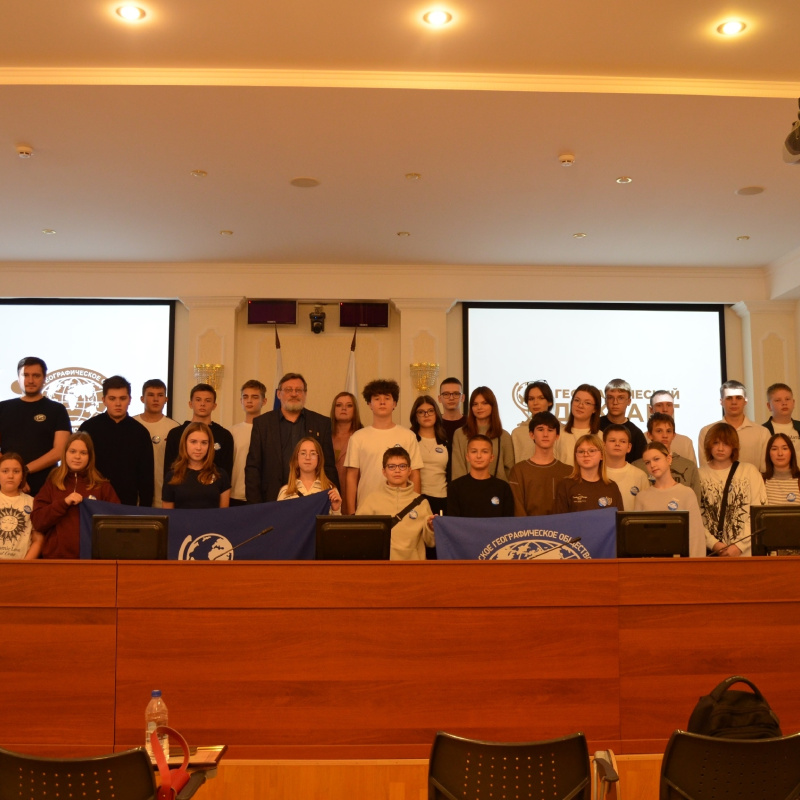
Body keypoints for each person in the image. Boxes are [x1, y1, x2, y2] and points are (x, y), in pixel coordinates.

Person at [246, 373, 337, 504]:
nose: (294, 394)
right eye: (288, 390)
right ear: (278, 394)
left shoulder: (321, 424)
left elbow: (328, 466)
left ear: (305, 394)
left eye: (298, 390)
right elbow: (253, 468)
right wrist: (255, 506)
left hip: (312, 499)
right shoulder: (262, 424)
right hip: (271, 500)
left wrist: (332, 498)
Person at [31, 432, 120, 559]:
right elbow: (38, 522)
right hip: (56, 559)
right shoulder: (52, 483)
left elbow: (116, 524)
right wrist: (63, 503)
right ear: (65, 454)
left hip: (93, 560)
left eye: (83, 453)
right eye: (72, 451)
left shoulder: (102, 487)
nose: (77, 457)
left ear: (90, 456)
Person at [344, 379, 422, 514]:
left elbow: (414, 474)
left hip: (401, 508)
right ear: (369, 404)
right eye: (376, 398)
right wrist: (351, 513)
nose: (382, 402)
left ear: (394, 403)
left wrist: (414, 508)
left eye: (387, 398)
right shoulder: (358, 437)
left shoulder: (408, 436)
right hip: (367, 508)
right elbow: (351, 477)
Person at [0, 356, 72, 496]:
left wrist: (23, 471)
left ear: (44, 378)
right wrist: (13, 473)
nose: (30, 380)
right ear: (18, 378)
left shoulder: (57, 410)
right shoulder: (2, 408)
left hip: (45, 486)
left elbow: (59, 451)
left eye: (36, 376)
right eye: (25, 375)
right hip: (6, 486)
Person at [79, 375, 154, 506]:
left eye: (122, 398)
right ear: (104, 400)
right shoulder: (88, 428)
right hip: (92, 500)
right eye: (112, 398)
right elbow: (78, 467)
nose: (118, 403)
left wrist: (145, 509)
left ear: (130, 400)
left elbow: (146, 477)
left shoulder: (140, 432)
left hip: (128, 503)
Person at [699, 422, 766, 557]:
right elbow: (696, 516)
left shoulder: (749, 471)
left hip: (746, 554)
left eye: (726, 443)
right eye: (716, 443)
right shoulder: (699, 474)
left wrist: (739, 546)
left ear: (733, 446)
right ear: (709, 445)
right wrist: (713, 544)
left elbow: (758, 512)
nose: (720, 448)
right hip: (711, 553)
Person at [355, 446, 434, 560]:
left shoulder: (422, 503)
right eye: (391, 466)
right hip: (382, 565)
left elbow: (431, 542)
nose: (397, 470)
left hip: (414, 565)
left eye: (402, 466)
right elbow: (359, 536)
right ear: (384, 471)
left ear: (409, 471)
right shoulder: (371, 500)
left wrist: (431, 528)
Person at [634, 442, 706, 557]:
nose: (652, 465)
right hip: (651, 563)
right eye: (647, 462)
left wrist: (694, 565)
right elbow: (637, 539)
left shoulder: (686, 493)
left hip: (679, 562)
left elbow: (696, 537)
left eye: (656, 459)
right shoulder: (642, 497)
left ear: (668, 459)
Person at [165, 383, 235, 487]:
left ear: (214, 405)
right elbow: (169, 469)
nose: (202, 404)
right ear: (190, 404)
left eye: (208, 400)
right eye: (198, 400)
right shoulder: (175, 434)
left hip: (212, 491)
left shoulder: (224, 435)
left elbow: (226, 473)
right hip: (181, 489)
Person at [507, 411, 571, 517]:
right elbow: (517, 509)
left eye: (550, 430)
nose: (545, 434)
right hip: (528, 527)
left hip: (560, 527)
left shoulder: (568, 471)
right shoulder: (518, 471)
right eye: (540, 429)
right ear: (532, 434)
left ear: (557, 436)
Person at [697, 381, 770, 472]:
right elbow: (705, 469)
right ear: (721, 401)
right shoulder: (707, 431)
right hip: (716, 481)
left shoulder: (762, 432)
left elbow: (765, 470)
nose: (734, 402)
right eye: (729, 398)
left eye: (738, 398)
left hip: (753, 481)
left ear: (745, 401)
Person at [450, 387, 514, 482]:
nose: (479, 407)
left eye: (484, 403)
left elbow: (510, 470)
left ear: (492, 405)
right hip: (466, 488)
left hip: (497, 489)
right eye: (475, 404)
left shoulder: (503, 436)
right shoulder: (460, 434)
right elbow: (457, 469)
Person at [162, 422, 230, 509]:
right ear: (184, 443)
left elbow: (223, 515)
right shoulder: (172, 476)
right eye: (193, 442)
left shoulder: (221, 475)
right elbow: (168, 515)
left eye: (204, 443)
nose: (198, 448)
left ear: (209, 445)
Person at [634, 412, 701, 501]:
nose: (665, 436)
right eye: (659, 431)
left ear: (674, 435)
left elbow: (696, 501)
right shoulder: (637, 466)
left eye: (669, 431)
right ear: (649, 435)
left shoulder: (689, 466)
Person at [134, 378, 179, 507]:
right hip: (136, 492)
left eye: (160, 395)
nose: (155, 399)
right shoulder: (132, 425)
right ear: (142, 399)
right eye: (151, 395)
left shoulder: (174, 428)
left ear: (166, 399)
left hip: (164, 491)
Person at [447, 434, 515, 517]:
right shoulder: (455, 487)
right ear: (467, 457)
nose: (479, 456)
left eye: (484, 451)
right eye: (474, 451)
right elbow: (452, 522)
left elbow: (508, 521)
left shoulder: (503, 488)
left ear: (491, 457)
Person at [553, 434, 623, 513]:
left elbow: (620, 519)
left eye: (592, 451)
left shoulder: (612, 487)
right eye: (581, 451)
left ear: (602, 455)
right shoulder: (565, 485)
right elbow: (560, 519)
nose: (586, 454)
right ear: (576, 456)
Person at [277, 437, 342, 514]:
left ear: (319, 459)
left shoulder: (330, 490)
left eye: (313, 454)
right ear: (296, 459)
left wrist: (336, 510)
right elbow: (279, 520)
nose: (308, 457)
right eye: (303, 453)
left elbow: (334, 521)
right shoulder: (285, 491)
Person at [409, 394, 450, 515]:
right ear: (415, 416)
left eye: (430, 411)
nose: (426, 415)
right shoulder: (410, 440)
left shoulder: (445, 441)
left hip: (442, 497)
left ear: (436, 414)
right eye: (421, 412)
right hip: (417, 497)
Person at [0, 453, 43, 559]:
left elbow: (38, 540)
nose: (10, 476)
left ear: (22, 476)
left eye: (16, 471)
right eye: (5, 471)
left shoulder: (32, 502)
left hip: (21, 564)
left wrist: (24, 564)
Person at [230, 380, 267, 506]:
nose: (249, 401)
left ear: (264, 401)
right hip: (235, 494)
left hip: (261, 495)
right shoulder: (231, 432)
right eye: (245, 397)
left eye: (255, 397)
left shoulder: (269, 431)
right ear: (241, 401)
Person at [602, 424, 650, 511]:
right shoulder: (595, 473)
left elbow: (646, 509)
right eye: (612, 440)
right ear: (604, 445)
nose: (617, 444)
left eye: (623, 441)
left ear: (629, 447)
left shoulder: (640, 476)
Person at [598, 379, 647, 463]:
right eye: (610, 397)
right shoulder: (594, 426)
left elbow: (640, 465)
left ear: (629, 401)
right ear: (605, 400)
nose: (615, 402)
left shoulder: (636, 434)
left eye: (620, 398)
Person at [556, 384, 603, 467]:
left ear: (595, 409)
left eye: (587, 403)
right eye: (577, 400)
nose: (580, 405)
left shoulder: (600, 437)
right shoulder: (558, 434)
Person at [647, 389, 697, 464]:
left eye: (669, 405)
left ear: (673, 409)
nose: (665, 409)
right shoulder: (642, 439)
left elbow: (692, 468)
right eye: (659, 405)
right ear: (651, 409)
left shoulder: (686, 442)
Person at [511, 380, 554, 462]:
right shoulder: (517, 433)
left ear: (549, 402)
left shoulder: (562, 431)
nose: (535, 403)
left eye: (541, 398)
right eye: (531, 399)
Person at [330, 391, 363, 493]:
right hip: (328, 492)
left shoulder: (362, 436)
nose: (343, 408)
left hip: (353, 492)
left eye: (349, 405)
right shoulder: (324, 435)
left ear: (355, 410)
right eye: (339, 405)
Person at [763, 383, 800, 460]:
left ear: (793, 403)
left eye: (787, 399)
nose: (784, 403)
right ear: (769, 406)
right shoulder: (762, 431)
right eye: (778, 400)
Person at [762, 432, 800, 505]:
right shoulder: (761, 481)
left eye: (785, 448)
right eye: (774, 449)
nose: (780, 453)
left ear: (791, 452)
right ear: (768, 453)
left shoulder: (798, 480)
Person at [437, 377, 466, 444]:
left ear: (462, 398)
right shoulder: (435, 423)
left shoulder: (470, 423)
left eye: (456, 394)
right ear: (439, 398)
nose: (451, 398)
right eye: (446, 394)